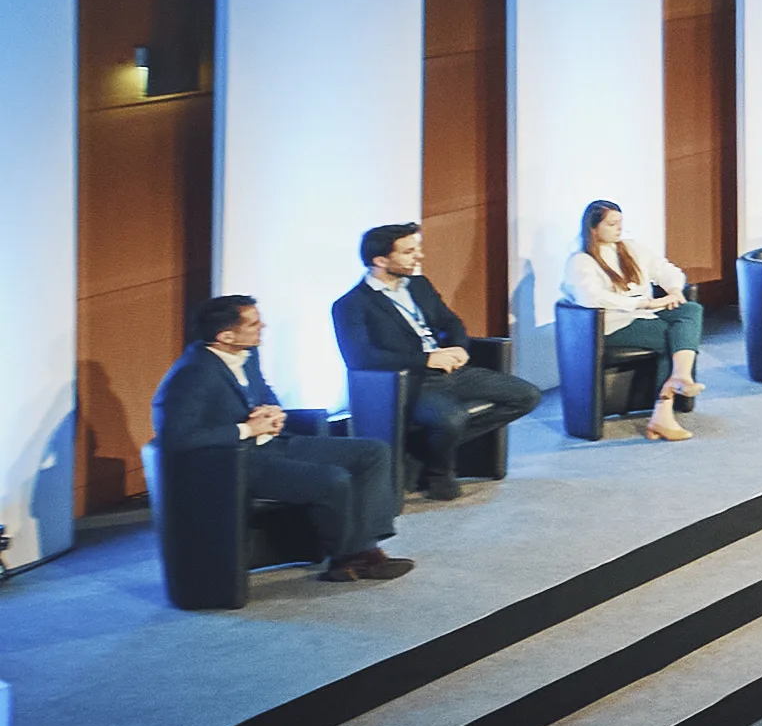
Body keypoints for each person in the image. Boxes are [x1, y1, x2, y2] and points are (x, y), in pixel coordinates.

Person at [150, 293, 409, 582]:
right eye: (253, 323)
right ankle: (351, 556)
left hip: (274, 444)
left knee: (373, 452)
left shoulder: (246, 354)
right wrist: (247, 429)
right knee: (332, 479)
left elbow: (262, 391)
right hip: (235, 463)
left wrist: (274, 411)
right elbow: (176, 437)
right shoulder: (192, 375)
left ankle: (361, 549)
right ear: (226, 336)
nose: (263, 326)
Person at [330, 221, 537, 497]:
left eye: (416, 249)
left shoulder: (419, 285)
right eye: (408, 252)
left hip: (450, 370)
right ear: (380, 260)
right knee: (451, 418)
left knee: (527, 395)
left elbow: (450, 322)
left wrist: (459, 347)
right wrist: (425, 360)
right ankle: (439, 473)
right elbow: (361, 358)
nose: (419, 256)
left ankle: (422, 454)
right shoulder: (351, 305)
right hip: (407, 383)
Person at [563, 198, 710, 437]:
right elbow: (592, 298)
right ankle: (664, 409)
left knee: (691, 310)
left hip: (645, 314)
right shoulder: (581, 261)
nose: (618, 229)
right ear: (593, 228)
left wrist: (673, 289)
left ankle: (679, 376)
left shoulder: (632, 248)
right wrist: (645, 302)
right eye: (612, 224)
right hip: (612, 324)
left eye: (620, 223)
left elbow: (666, 269)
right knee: (671, 338)